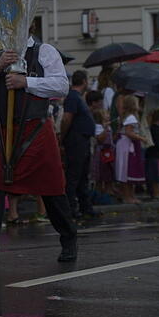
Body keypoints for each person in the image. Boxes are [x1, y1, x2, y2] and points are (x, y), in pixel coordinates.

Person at [0, 38, 78, 266]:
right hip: (2, 132)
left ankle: (69, 238)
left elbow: (62, 86)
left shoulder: (44, 51)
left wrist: (26, 82)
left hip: (35, 130)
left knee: (51, 189)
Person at [60, 69, 98, 219]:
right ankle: (71, 208)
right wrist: (62, 138)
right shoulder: (73, 97)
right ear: (83, 81)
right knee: (74, 175)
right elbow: (67, 118)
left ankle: (85, 207)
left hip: (83, 140)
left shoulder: (79, 97)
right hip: (76, 140)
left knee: (83, 176)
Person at [115, 95, 147, 204]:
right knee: (127, 170)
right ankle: (128, 196)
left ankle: (130, 195)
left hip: (124, 144)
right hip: (128, 146)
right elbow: (129, 133)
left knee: (127, 171)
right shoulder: (131, 118)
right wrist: (142, 138)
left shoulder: (125, 117)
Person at [145, 108, 159, 200]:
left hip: (158, 155)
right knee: (155, 175)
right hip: (155, 155)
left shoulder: (157, 128)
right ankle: (156, 192)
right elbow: (157, 143)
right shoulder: (155, 129)